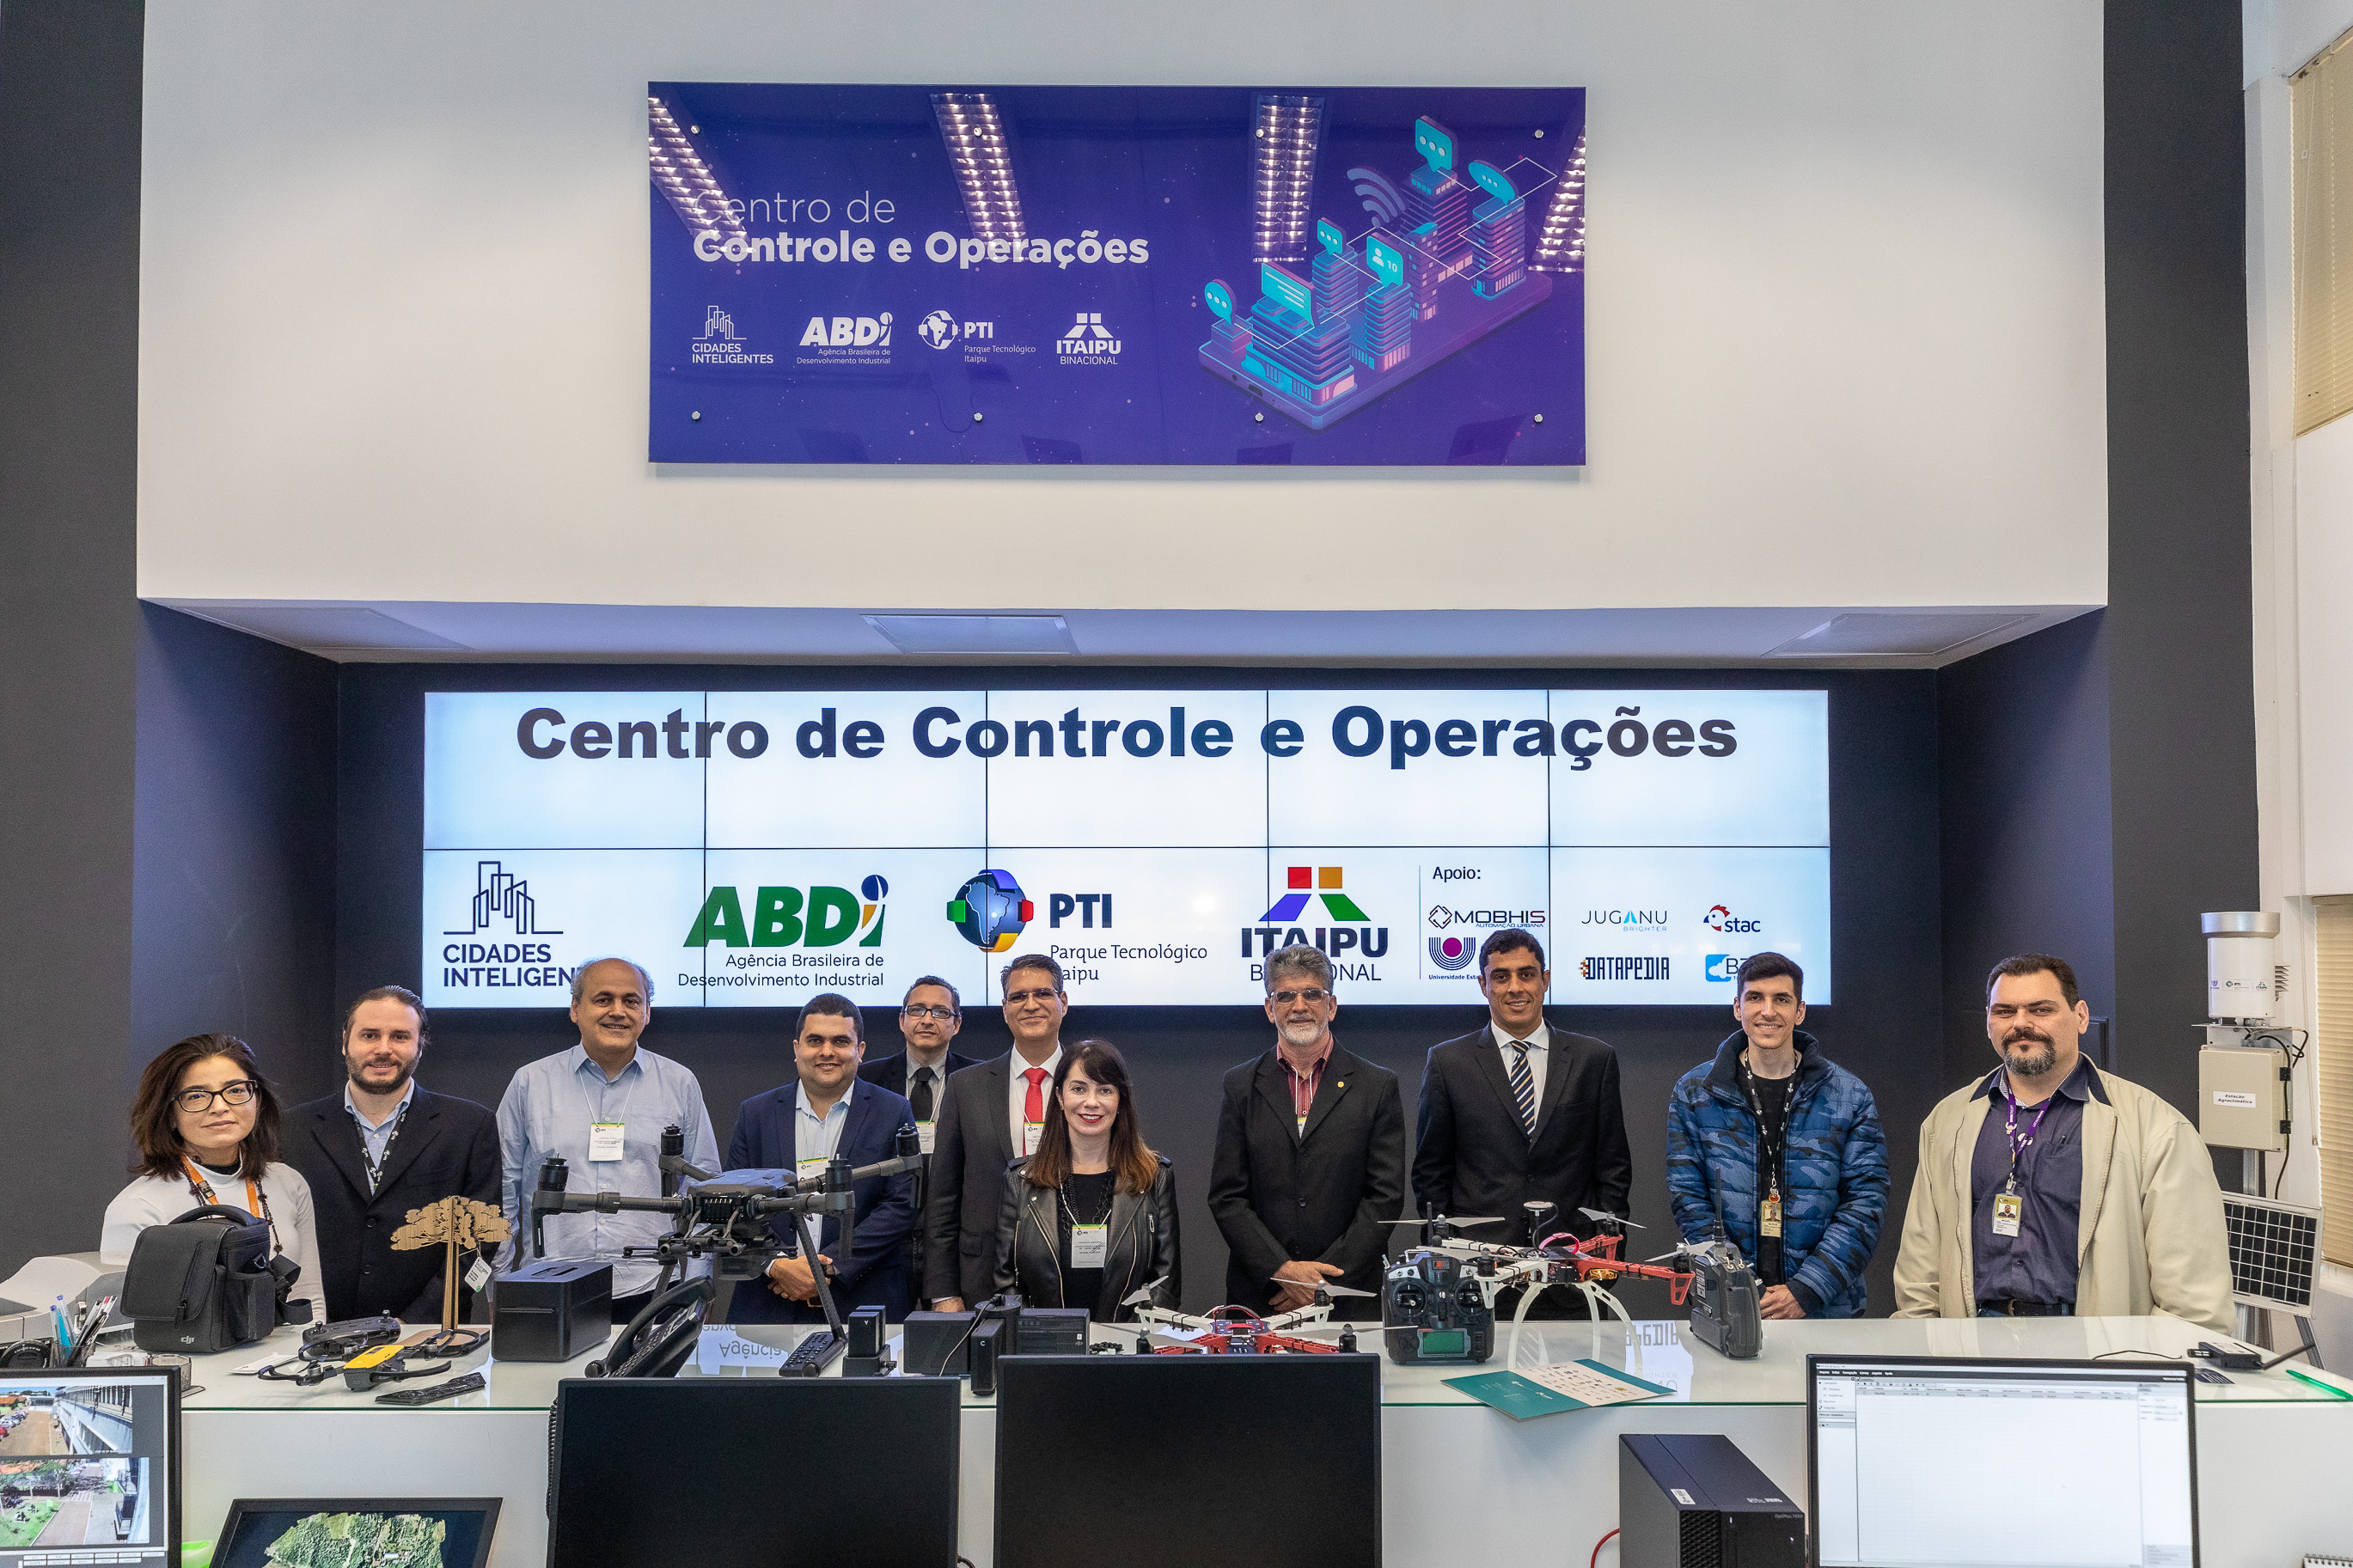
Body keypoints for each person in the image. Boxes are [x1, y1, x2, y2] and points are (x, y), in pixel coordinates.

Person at [1893, 954, 2232, 1328]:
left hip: (2096, 1355)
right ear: (1988, 1021)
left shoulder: (2156, 1129)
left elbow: (2192, 1301)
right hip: (1974, 1344)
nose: (2021, 1024)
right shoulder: (1949, 1121)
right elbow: (1920, 1269)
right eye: (2005, 1011)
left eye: (2041, 1009)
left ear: (2081, 1016)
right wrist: (1919, 1347)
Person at [1412, 929, 1632, 1315]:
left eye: (1527, 974)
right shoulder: (1448, 1063)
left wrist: (1607, 1254)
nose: (1515, 988)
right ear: (1483, 985)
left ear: (1545, 980)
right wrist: (1440, 1258)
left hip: (1571, 1270)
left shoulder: (1593, 1060)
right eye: (1501, 976)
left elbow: (1613, 1169)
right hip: (1478, 1275)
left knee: (1578, 1377)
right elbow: (1431, 1174)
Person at [496, 957, 718, 1323]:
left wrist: (694, 1286)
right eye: (603, 999)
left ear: (647, 1013)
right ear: (575, 1009)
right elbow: (505, 1187)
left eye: (632, 1001)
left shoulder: (680, 1083)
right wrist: (500, 1282)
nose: (618, 1011)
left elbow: (703, 1185)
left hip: (652, 1287)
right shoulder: (530, 1083)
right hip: (549, 1284)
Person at [1665, 953, 1888, 1318]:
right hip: (1727, 1306)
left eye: (1781, 999)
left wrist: (1806, 1291)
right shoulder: (1695, 1092)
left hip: (1825, 1309)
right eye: (1755, 998)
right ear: (1738, 1007)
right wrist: (1738, 1286)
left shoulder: (1850, 1095)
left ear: (1799, 1011)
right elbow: (1688, 1199)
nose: (1768, 1011)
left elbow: (1865, 1203)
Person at [284, 986, 502, 1323]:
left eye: (400, 1036)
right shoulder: (290, 1129)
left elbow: (477, 1243)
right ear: (345, 1041)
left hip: (430, 1334)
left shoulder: (471, 1126)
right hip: (316, 1331)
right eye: (369, 1035)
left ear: (420, 1044)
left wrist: (415, 1320)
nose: (383, 1049)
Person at [1207, 945, 1404, 1318]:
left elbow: (1384, 1198)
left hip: (1349, 1293)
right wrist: (1283, 1271)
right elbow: (1227, 1197)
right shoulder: (1239, 1085)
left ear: (1331, 1005)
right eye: (1286, 996)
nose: (1300, 1006)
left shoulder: (1376, 1086)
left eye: (1313, 994)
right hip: (1263, 1296)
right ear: (1270, 1009)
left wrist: (1319, 1282)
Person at [101, 1033, 328, 1322]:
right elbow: (127, 1331)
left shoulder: (288, 1183)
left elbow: (308, 1295)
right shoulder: (138, 1207)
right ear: (169, 1115)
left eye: (235, 1090)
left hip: (284, 1364)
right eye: (196, 1096)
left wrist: (308, 1358)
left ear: (256, 1099)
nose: (220, 1107)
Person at [724, 993, 920, 1323]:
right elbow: (733, 1204)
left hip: (861, 1299)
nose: (827, 1052)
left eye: (840, 1041)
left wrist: (825, 1267)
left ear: (860, 1051)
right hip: (769, 1301)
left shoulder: (894, 1110)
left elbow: (901, 1204)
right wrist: (777, 1265)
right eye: (815, 1040)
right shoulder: (755, 1113)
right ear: (797, 1048)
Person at [992, 1039, 1179, 1320]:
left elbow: (1165, 1283)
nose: (1091, 1102)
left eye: (1105, 1090)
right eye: (1079, 1089)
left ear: (1121, 1100)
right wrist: (1039, 1338)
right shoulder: (1021, 1181)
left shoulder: (1155, 1178)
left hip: (1126, 1350)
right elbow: (1005, 1283)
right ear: (1059, 1097)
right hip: (1044, 1349)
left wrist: (1131, 1343)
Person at [926, 953, 1069, 1311]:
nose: (1031, 1005)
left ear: (1063, 1003)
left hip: (1071, 1272)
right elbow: (942, 1197)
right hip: (981, 1279)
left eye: (1043, 994)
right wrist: (943, 1292)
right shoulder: (965, 1087)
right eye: (1018, 997)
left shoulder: (1093, 1084)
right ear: (1005, 1008)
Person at [858, 976, 980, 1295]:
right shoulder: (866, 1080)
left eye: (940, 1012)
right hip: (883, 1239)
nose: (927, 1019)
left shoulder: (979, 1082)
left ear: (957, 1024)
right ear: (901, 1020)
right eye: (917, 1010)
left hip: (953, 1236)